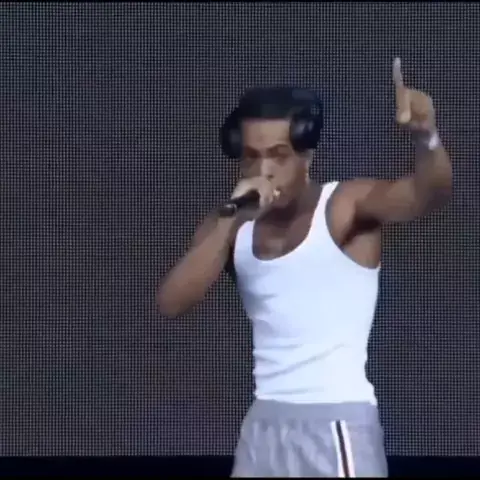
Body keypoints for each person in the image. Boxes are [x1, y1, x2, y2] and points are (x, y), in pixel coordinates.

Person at [156, 58, 451, 477]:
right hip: (263, 426)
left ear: (306, 156)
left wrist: (426, 138)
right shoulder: (230, 222)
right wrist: (231, 218)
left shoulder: (344, 206)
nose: (264, 170)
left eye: (278, 156)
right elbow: (170, 303)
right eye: (252, 157)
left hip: (336, 422)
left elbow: (427, 195)